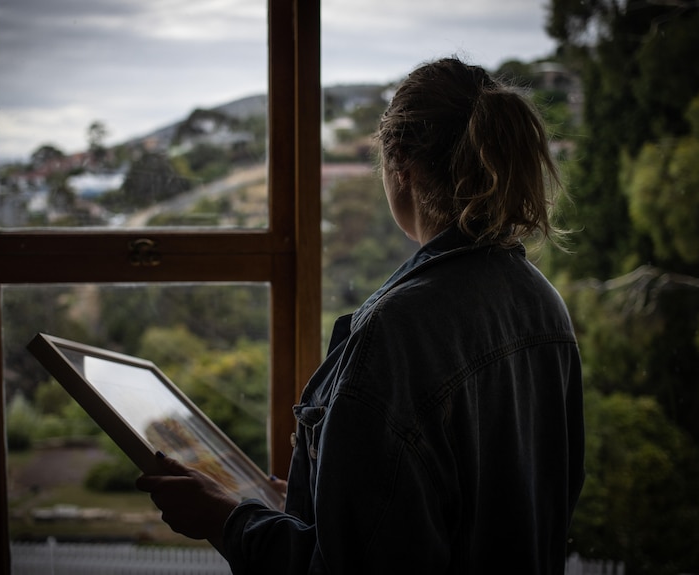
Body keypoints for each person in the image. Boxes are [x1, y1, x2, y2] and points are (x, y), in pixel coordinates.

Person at [137, 56, 585, 574]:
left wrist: (225, 519)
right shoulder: (546, 306)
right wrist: (311, 507)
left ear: (402, 167)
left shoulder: (396, 333)